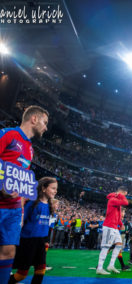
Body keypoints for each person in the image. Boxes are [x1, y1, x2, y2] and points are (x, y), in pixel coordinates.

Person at [0, 105, 49, 282]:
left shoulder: (30, 149)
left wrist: (21, 209)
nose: (46, 127)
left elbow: (21, 183)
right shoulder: (8, 134)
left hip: (14, 209)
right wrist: (1, 187)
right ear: (33, 119)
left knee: (9, 251)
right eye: (44, 122)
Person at [8, 177, 57, 284]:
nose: (55, 191)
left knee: (41, 270)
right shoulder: (32, 204)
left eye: (56, 189)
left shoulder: (49, 206)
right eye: (53, 188)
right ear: (43, 188)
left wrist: (46, 240)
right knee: (21, 275)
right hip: (28, 242)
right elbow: (21, 222)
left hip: (41, 242)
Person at [96, 186, 129, 275]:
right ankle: (99, 268)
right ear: (122, 192)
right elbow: (126, 202)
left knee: (118, 245)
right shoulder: (113, 200)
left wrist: (121, 224)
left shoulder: (116, 203)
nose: (125, 196)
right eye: (125, 194)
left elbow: (117, 217)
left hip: (114, 227)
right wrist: (120, 195)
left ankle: (111, 265)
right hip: (109, 226)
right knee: (106, 247)